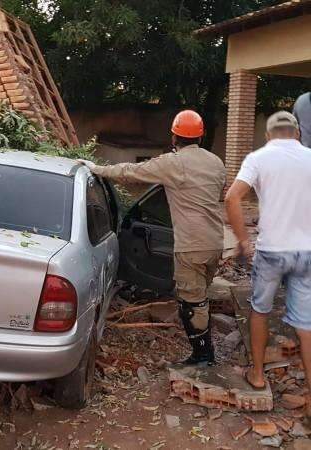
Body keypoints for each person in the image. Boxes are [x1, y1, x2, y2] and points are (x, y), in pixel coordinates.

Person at [78, 110, 226, 365]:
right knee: (200, 298)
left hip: (190, 246)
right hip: (215, 243)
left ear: (174, 136)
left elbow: (131, 171)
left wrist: (97, 168)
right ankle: (205, 349)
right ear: (200, 137)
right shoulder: (216, 162)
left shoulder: (173, 163)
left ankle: (203, 357)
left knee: (192, 303)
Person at [225, 111, 311, 402]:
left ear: (268, 135)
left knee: (260, 309)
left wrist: (243, 241)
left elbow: (232, 197)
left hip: (272, 250)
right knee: (306, 322)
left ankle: (258, 375)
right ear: (297, 133)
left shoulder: (258, 158)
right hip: (307, 252)